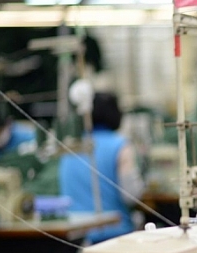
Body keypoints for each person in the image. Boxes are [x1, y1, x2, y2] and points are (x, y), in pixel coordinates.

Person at [59, 92, 141, 244]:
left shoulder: (70, 148)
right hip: (114, 236)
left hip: (76, 237)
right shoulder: (120, 146)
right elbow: (131, 196)